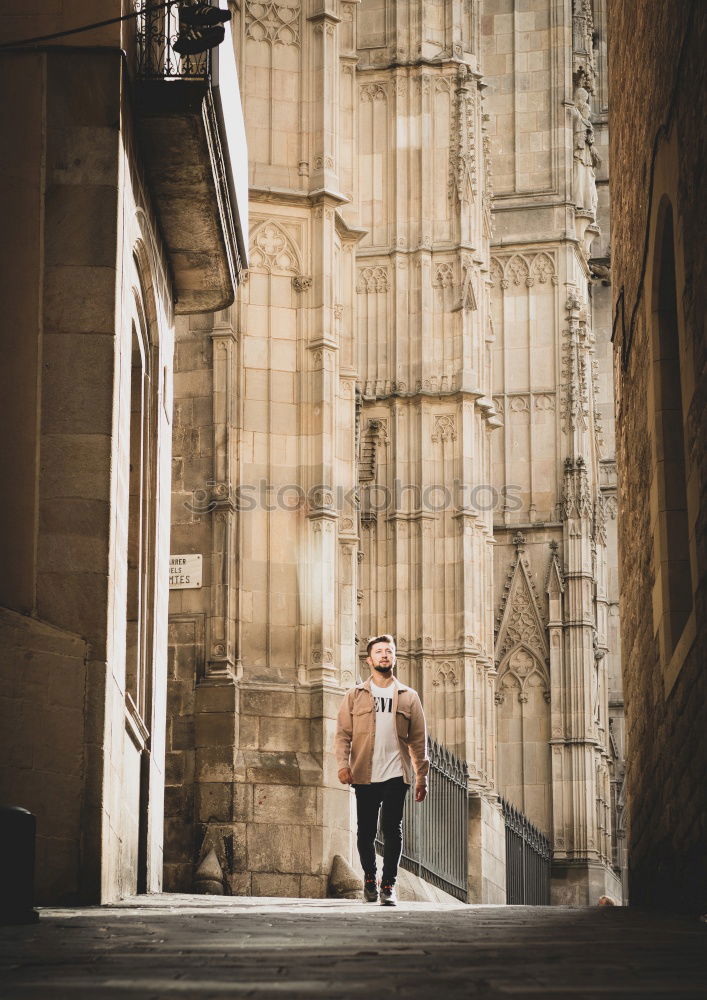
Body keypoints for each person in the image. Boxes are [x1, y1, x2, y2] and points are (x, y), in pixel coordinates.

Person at [335, 634, 429, 906]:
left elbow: (418, 740)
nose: (385, 655)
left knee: (392, 828)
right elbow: (342, 734)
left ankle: (389, 884)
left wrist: (421, 777)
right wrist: (343, 765)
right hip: (364, 773)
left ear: (395, 657)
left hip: (396, 774)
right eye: (379, 651)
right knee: (365, 831)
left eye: (389, 651)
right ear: (369, 659)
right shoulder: (354, 696)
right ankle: (369, 878)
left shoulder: (409, 697)